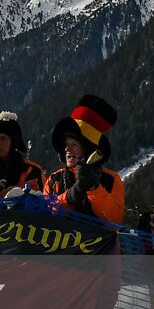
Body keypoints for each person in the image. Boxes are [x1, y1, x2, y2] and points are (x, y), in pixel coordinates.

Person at [44, 95, 124, 223]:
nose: (67, 149)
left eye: (74, 145)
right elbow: (46, 212)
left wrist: (94, 188)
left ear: (88, 150)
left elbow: (114, 218)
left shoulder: (111, 180)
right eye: (65, 144)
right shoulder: (54, 180)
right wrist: (71, 196)